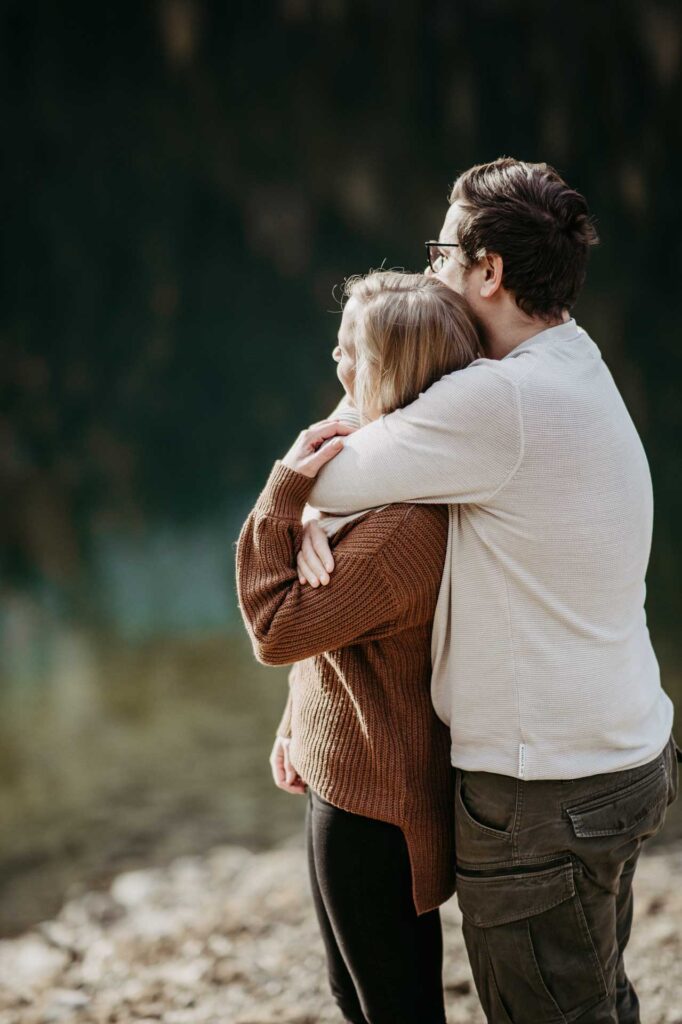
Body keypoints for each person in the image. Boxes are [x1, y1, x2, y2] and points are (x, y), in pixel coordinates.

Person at [299, 158, 680, 1024]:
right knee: (596, 993)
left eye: (439, 251)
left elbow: (314, 480)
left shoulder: (494, 402)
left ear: (488, 270)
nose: (430, 269)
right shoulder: (575, 361)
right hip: (625, 756)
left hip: (543, 793)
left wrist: (313, 504)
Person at [236, 271, 482, 1024]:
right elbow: (332, 632)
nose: (335, 364)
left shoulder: (397, 532)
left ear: (389, 374)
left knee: (395, 1010)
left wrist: (284, 496)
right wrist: (295, 723)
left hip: (377, 811)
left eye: (350, 354)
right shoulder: (376, 474)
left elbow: (275, 628)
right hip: (343, 771)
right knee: (353, 995)